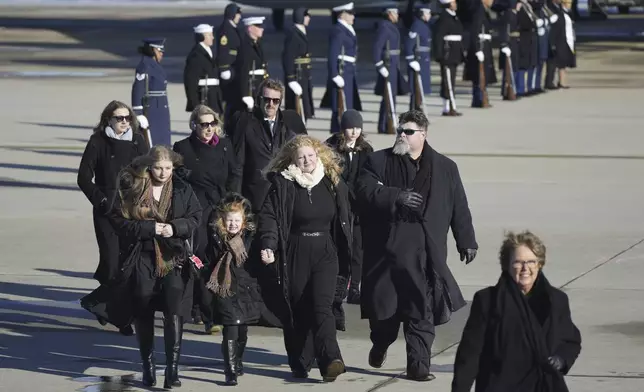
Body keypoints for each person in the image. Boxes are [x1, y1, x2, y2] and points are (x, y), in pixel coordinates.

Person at [356, 109, 478, 382]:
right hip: (386, 254)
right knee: (385, 315)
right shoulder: (378, 161)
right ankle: (381, 343)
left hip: (426, 255)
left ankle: (418, 366)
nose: (402, 135)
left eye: (408, 131)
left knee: (421, 310)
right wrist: (395, 196)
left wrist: (466, 240)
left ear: (423, 134)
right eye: (400, 130)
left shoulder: (445, 168)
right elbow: (363, 190)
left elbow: (459, 205)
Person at [81, 145, 202, 388]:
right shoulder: (134, 187)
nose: (164, 172)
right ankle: (148, 368)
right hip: (142, 258)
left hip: (173, 259)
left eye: (168, 168)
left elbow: (196, 217)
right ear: (149, 166)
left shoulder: (182, 188)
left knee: (173, 310)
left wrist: (175, 227)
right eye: (158, 167)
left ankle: (172, 370)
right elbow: (118, 221)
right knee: (143, 310)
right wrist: (150, 228)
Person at [258, 135, 352, 381]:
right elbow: (269, 217)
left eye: (311, 155)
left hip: (325, 251)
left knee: (323, 306)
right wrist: (268, 244)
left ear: (318, 155)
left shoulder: (332, 181)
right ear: (293, 160)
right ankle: (300, 360)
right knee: (299, 308)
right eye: (301, 157)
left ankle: (331, 360)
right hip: (295, 250)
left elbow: (347, 217)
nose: (307, 160)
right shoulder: (283, 185)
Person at [451, 231, 582, 392]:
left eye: (531, 261)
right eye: (518, 262)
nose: (525, 268)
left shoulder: (556, 300)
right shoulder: (488, 301)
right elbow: (470, 355)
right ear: (507, 265)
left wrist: (561, 359)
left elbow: (571, 341)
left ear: (539, 264)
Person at [172, 105, 241, 329]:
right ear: (194, 125)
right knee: (199, 258)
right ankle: (202, 310)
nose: (209, 128)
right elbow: (177, 181)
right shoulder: (183, 147)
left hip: (219, 208)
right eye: (204, 124)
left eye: (213, 123)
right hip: (197, 211)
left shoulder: (224, 146)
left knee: (220, 257)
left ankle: (213, 307)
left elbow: (234, 173)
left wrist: (231, 203)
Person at [203, 193, 276, 385]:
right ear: (222, 221)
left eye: (237, 220)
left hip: (245, 287)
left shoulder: (250, 238)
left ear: (243, 222)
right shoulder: (215, 237)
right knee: (231, 326)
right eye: (229, 220)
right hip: (224, 288)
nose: (233, 224)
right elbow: (206, 258)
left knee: (242, 330)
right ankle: (231, 371)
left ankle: (238, 359)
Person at [78, 101, 150, 290]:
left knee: (129, 257)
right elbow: (83, 177)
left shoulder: (137, 140)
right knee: (110, 258)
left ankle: (124, 306)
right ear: (108, 120)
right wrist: (100, 199)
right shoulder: (98, 141)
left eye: (128, 118)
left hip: (132, 208)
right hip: (107, 209)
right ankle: (105, 298)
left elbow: (147, 172)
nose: (124, 122)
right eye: (119, 118)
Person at [228, 78, 305, 213]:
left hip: (282, 198)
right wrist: (236, 200)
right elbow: (237, 166)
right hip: (253, 199)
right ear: (259, 99)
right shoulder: (246, 124)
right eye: (267, 99)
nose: (271, 104)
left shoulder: (288, 126)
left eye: (276, 101)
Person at [325, 110, 373, 304]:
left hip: (358, 206)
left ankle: (354, 287)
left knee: (358, 247)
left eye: (357, 128)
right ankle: (339, 285)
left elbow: (368, 176)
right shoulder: (331, 147)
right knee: (340, 245)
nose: (354, 132)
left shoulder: (366, 150)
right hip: (338, 204)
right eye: (350, 128)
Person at [320, 2, 363, 134]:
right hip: (342, 71)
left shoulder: (347, 29)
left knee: (347, 105)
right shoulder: (338, 31)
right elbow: (332, 55)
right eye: (350, 13)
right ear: (342, 14)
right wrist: (334, 74)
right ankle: (338, 133)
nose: (353, 16)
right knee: (339, 106)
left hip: (349, 71)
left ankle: (342, 132)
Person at [373, 5, 409, 134]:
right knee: (388, 96)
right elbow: (377, 47)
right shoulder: (384, 27)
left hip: (393, 65)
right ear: (389, 14)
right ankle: (385, 124)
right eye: (395, 13)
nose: (397, 16)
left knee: (391, 96)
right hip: (387, 65)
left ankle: (387, 123)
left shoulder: (391, 27)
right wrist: (379, 65)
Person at [226, 15, 269, 121]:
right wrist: (245, 94)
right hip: (251, 88)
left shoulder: (257, 44)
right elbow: (243, 71)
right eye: (258, 26)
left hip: (258, 86)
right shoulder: (245, 47)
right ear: (250, 28)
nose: (262, 28)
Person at [132, 38, 171, 146]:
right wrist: (138, 113)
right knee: (153, 142)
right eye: (159, 51)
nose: (162, 54)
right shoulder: (145, 66)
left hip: (160, 108)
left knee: (163, 142)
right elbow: (138, 88)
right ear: (152, 50)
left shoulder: (154, 65)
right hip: (152, 109)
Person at [459, 0, 497, 108]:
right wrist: (477, 48)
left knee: (482, 73)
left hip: (484, 44)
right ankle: (479, 98)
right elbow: (475, 30)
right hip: (480, 45)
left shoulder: (483, 11)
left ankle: (480, 97)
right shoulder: (478, 11)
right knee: (479, 74)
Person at [282, 8, 314, 122]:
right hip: (297, 74)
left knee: (304, 107)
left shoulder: (302, 31)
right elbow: (288, 57)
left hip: (303, 74)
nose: (309, 18)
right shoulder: (293, 34)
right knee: (296, 109)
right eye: (306, 16)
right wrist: (291, 78)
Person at [433, 0, 465, 116]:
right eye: (453, 2)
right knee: (447, 81)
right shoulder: (443, 18)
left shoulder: (454, 17)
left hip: (454, 52)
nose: (456, 4)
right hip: (448, 53)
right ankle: (448, 107)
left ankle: (450, 106)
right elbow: (438, 38)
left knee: (451, 80)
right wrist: (440, 55)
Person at [183, 24, 223, 114]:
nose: (213, 37)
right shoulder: (196, 55)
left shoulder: (207, 51)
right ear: (201, 37)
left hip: (212, 96)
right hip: (204, 97)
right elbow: (191, 81)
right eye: (209, 35)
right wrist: (195, 104)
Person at [405, 3, 434, 111]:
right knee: (416, 89)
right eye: (428, 13)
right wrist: (411, 59)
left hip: (424, 60)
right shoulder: (417, 25)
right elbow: (409, 43)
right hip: (418, 60)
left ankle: (418, 109)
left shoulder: (425, 25)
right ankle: (414, 110)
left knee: (421, 89)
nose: (429, 15)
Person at [216, 3, 243, 114]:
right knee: (226, 100)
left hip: (233, 68)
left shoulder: (232, 28)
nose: (239, 17)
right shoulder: (225, 30)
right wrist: (223, 68)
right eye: (238, 14)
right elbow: (223, 49)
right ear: (232, 15)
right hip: (228, 69)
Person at [497, 0, 520, 100]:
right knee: (508, 69)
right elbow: (504, 30)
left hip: (514, 42)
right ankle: (506, 91)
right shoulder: (508, 14)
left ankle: (511, 89)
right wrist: (504, 44)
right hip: (509, 42)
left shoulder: (514, 14)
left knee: (513, 67)